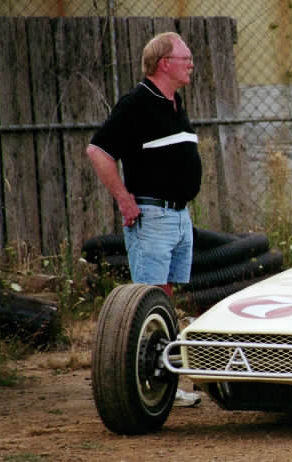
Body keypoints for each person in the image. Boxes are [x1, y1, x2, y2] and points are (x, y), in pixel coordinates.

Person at [86, 32, 203, 407]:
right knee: (146, 301)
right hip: (152, 217)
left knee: (164, 299)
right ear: (164, 63)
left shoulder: (175, 104)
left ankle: (166, 382)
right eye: (185, 58)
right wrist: (124, 199)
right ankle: (139, 387)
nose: (191, 64)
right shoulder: (137, 103)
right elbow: (98, 150)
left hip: (179, 216)